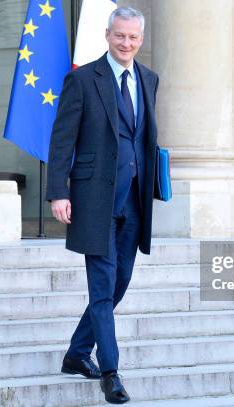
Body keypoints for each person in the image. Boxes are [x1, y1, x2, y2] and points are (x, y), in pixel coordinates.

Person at [45, 6, 159, 404]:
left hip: (134, 200)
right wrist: (59, 191)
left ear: (140, 40)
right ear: (107, 35)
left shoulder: (149, 79)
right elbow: (62, 140)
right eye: (119, 36)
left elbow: (143, 138)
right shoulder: (82, 80)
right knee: (102, 287)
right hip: (93, 200)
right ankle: (110, 372)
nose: (126, 43)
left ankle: (77, 354)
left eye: (133, 38)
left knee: (119, 283)